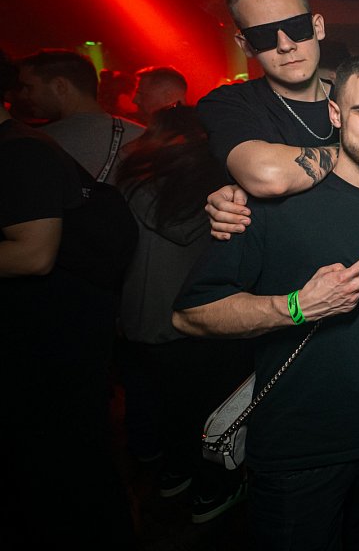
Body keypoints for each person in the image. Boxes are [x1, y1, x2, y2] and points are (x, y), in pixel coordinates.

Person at [173, 56, 359, 550]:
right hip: (298, 453)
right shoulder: (273, 204)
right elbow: (189, 315)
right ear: (335, 114)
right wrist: (296, 307)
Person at [0, 48, 139, 547]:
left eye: (32, 86)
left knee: (67, 466)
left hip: (53, 341)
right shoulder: (35, 143)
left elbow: (34, 253)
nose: (26, 95)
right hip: (72, 327)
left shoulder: (24, 150)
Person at [114, 104, 253, 521]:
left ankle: (176, 472)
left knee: (169, 406)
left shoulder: (132, 182)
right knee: (213, 410)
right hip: (199, 319)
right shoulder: (216, 189)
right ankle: (215, 488)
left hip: (145, 319)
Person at [198, 0, 339, 206]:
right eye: (263, 35)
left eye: (296, 27)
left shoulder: (358, 98)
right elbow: (268, 176)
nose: (285, 45)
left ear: (318, 27)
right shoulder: (228, 103)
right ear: (246, 45)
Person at [16, 49, 145, 183]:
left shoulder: (33, 141)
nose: (22, 95)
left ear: (60, 86)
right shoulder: (140, 136)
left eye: (29, 87)